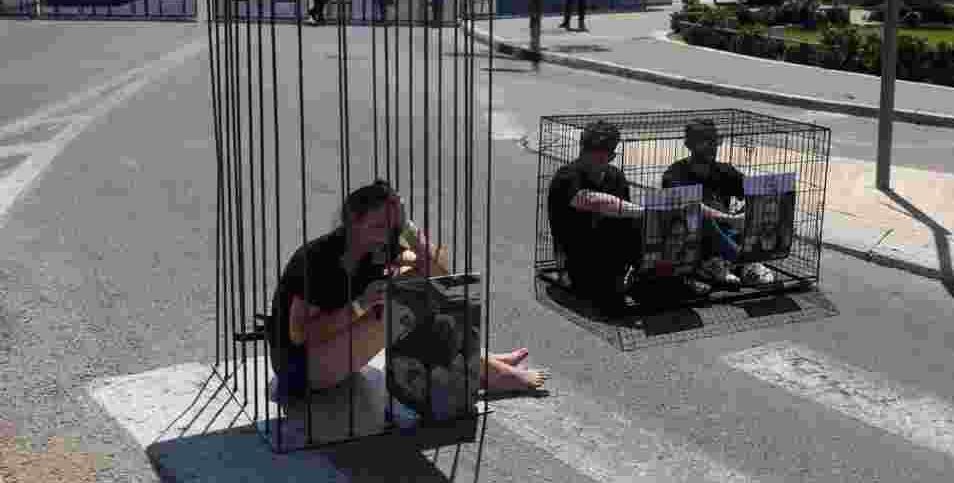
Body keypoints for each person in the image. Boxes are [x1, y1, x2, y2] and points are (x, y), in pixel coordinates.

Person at [267, 180, 548, 403]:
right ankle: (487, 372)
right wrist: (360, 305)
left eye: (392, 226)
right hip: (301, 367)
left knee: (418, 286)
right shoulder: (317, 260)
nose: (385, 235)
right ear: (352, 222)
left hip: (337, 346)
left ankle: (477, 360)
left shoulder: (380, 242)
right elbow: (302, 336)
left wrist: (406, 226)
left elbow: (438, 271)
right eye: (377, 226)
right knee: (405, 304)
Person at [661, 119, 776, 287]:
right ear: (690, 145)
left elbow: (755, 192)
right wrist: (729, 219)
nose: (711, 148)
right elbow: (685, 210)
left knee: (762, 202)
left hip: (728, 230)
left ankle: (728, 263)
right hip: (696, 238)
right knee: (697, 214)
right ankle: (740, 261)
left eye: (713, 142)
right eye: (704, 143)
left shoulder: (724, 170)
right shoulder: (674, 175)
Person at [547, 121, 643, 319]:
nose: (602, 159)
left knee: (638, 223)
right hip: (578, 254)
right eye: (595, 153)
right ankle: (618, 278)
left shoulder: (615, 176)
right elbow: (590, 200)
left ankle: (634, 271)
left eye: (607, 154)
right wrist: (640, 211)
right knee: (607, 298)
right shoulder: (566, 176)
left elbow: (627, 220)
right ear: (583, 150)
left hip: (611, 249)